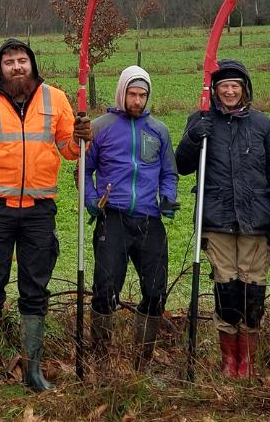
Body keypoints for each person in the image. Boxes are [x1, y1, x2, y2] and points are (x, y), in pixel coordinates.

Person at [0, 38, 92, 395]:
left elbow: (68, 150)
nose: (16, 67)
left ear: (32, 65)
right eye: (9, 62)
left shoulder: (56, 99)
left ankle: (33, 371)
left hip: (39, 210)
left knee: (35, 290)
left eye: (22, 61)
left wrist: (80, 139)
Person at [175, 58, 270, 379]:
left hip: (256, 220)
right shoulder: (201, 121)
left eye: (235, 86)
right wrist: (194, 137)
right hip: (216, 219)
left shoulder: (262, 125)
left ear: (245, 90)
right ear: (214, 91)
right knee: (227, 288)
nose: (230, 91)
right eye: (224, 87)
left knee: (252, 290)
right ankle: (229, 361)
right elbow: (181, 165)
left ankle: (247, 361)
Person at [85, 64, 177, 369]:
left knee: (155, 291)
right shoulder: (100, 127)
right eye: (132, 94)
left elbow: (169, 173)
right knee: (105, 290)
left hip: (150, 220)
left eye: (143, 95)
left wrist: (168, 197)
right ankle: (101, 359)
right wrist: (91, 199)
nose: (137, 101)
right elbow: (83, 171)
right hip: (113, 218)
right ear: (122, 93)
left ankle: (142, 360)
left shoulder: (159, 131)